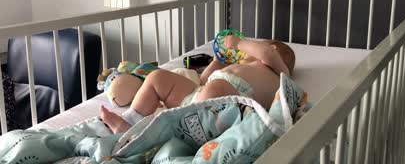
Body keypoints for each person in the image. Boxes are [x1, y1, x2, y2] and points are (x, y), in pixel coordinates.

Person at [100, 36, 295, 134]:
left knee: (214, 89)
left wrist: (239, 42)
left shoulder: (279, 72)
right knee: (157, 77)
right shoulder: (237, 67)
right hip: (197, 99)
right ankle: (131, 121)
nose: (245, 52)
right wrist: (217, 63)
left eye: (255, 48)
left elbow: (267, 53)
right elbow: (203, 82)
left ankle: (152, 133)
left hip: (227, 112)